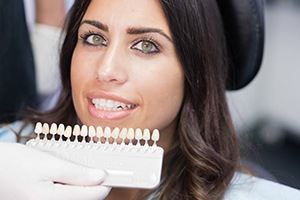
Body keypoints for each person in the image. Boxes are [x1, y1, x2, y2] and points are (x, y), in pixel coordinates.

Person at [1, 0, 300, 199]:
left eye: (146, 45)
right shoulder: (9, 155)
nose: (106, 70)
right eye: (94, 38)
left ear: (195, 71)